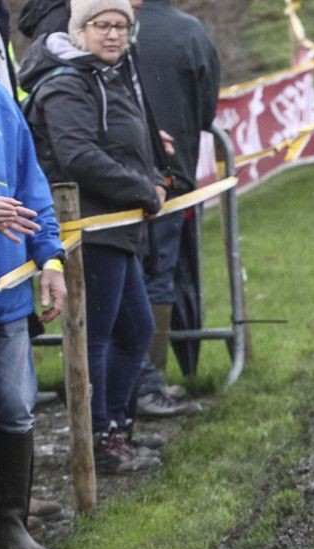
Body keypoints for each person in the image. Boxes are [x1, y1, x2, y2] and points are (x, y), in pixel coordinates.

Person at [19, 0, 163, 474]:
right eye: (103, 24)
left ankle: (116, 429)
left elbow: (123, 140)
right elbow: (77, 154)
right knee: (97, 338)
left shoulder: (106, 75)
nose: (113, 34)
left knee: (137, 330)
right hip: (89, 227)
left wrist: (156, 176)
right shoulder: (65, 82)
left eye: (122, 26)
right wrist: (141, 187)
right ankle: (98, 440)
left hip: (118, 223)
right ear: (79, 29)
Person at [0, 0, 66, 549]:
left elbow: (32, 183)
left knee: (14, 408)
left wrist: (50, 260)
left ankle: (10, 525)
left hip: (2, 287)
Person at [130, 0, 219, 419]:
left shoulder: (99, 27)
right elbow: (207, 108)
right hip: (170, 173)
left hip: (115, 177)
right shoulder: (188, 31)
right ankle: (149, 383)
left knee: (122, 280)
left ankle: (132, 382)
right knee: (158, 276)